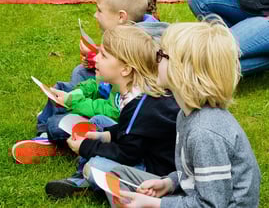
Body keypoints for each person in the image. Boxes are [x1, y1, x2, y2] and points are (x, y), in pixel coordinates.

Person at [110, 21, 261, 208]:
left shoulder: (204, 133)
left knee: (125, 192)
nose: (156, 60)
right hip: (196, 195)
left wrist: (156, 204)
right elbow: (192, 173)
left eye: (162, 55)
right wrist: (168, 183)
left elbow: (212, 204)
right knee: (117, 175)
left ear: (182, 70)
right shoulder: (187, 114)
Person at [45, 26, 179, 200]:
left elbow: (127, 154)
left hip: (155, 172)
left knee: (96, 166)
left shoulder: (140, 106)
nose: (96, 59)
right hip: (143, 149)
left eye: (104, 55)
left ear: (125, 70)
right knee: (99, 121)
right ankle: (84, 175)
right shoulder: (137, 94)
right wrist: (106, 136)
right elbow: (131, 131)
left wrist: (86, 147)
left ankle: (84, 179)